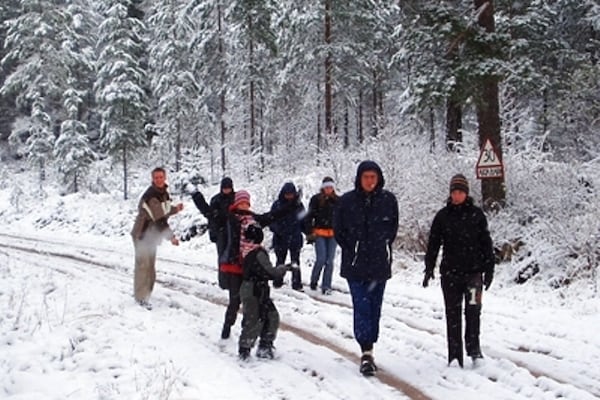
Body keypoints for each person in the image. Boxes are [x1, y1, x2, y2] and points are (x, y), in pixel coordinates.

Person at [333, 161, 398, 376]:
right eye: (366, 177)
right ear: (359, 179)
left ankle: (370, 343)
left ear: (378, 178)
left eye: (373, 177)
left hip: (379, 264)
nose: (370, 181)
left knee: (374, 308)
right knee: (361, 307)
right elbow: (338, 230)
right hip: (356, 266)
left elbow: (392, 228)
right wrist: (354, 247)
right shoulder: (347, 201)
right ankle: (366, 352)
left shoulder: (388, 200)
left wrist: (381, 244)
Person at [423, 174, 495, 368]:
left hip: (473, 275)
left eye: (460, 192)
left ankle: (474, 349)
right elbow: (434, 244)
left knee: (473, 311)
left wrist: (489, 269)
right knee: (452, 314)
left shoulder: (477, 215)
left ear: (466, 193)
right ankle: (454, 356)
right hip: (450, 275)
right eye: (454, 192)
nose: (457, 195)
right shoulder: (443, 216)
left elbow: (486, 243)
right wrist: (429, 267)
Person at [217, 190, 296, 340]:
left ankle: (245, 332)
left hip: (248, 267)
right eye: (241, 203)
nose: (244, 206)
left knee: (250, 302)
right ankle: (227, 325)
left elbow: (272, 216)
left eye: (246, 203)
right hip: (234, 266)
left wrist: (291, 206)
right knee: (235, 301)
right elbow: (215, 216)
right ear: (236, 203)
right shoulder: (231, 219)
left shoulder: (253, 218)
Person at [238, 224, 294, 360]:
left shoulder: (245, 250)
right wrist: (284, 268)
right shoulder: (257, 253)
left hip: (252, 289)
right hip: (255, 290)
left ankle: (260, 347)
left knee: (265, 316)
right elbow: (270, 272)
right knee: (258, 318)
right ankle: (250, 349)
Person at [130, 167, 183, 309]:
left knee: (150, 267)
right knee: (143, 266)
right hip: (142, 234)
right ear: (152, 179)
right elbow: (159, 219)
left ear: (165, 177)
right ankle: (140, 298)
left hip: (151, 236)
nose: (159, 179)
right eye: (156, 177)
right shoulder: (151, 195)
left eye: (161, 177)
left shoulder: (163, 193)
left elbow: (163, 209)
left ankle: (145, 294)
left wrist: (175, 209)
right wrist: (171, 237)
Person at [191, 177, 235, 288]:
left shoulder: (236, 198)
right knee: (222, 257)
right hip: (221, 233)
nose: (227, 190)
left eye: (228, 188)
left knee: (234, 257)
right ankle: (224, 282)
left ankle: (234, 281)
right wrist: (214, 233)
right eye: (225, 188)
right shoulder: (216, 200)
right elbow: (210, 216)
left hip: (234, 232)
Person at [304, 176, 338, 294]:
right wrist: (309, 232)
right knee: (321, 259)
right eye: (327, 187)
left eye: (331, 187)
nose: (329, 189)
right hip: (319, 233)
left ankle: (326, 286)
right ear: (323, 188)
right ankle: (314, 280)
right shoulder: (316, 200)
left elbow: (342, 218)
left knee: (330, 261)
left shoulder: (338, 201)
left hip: (333, 234)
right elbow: (309, 216)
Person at [270, 182, 305, 291]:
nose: (289, 196)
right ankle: (277, 281)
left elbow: (303, 220)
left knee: (295, 262)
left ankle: (296, 283)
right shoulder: (277, 205)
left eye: (291, 194)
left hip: (295, 237)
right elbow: (271, 220)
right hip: (280, 238)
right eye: (287, 194)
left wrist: (308, 232)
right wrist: (277, 230)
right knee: (280, 261)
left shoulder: (299, 205)